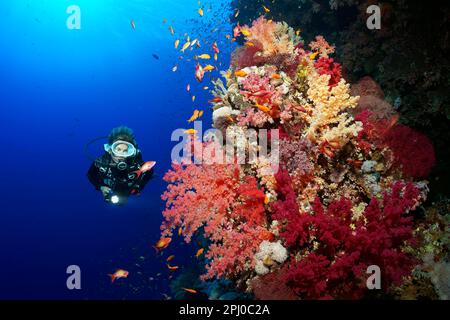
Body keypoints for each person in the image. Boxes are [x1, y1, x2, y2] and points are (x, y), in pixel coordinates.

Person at [87, 126, 155, 205]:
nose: (121, 155)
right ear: (110, 150)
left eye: (125, 151)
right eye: (118, 149)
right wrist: (101, 186)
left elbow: (149, 172)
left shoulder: (136, 163)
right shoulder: (101, 162)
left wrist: (139, 187)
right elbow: (90, 174)